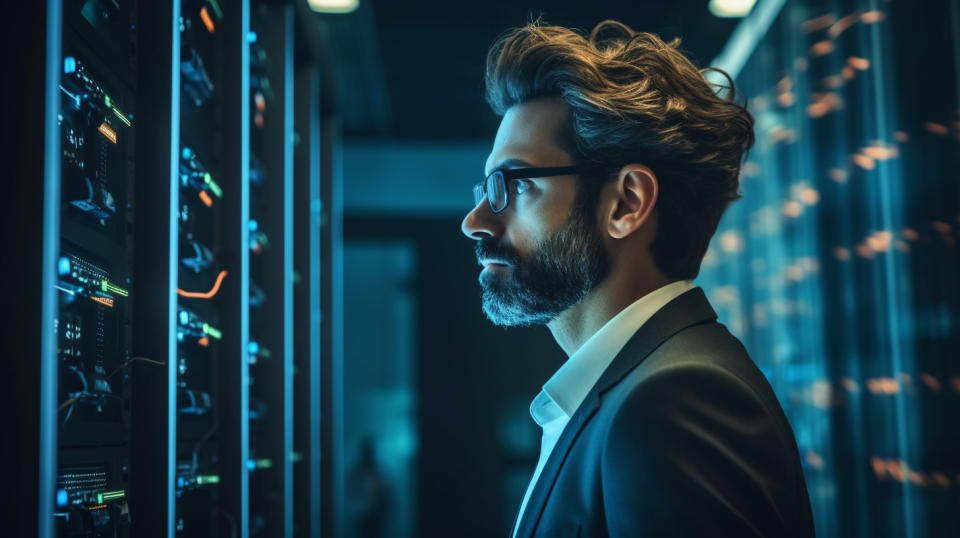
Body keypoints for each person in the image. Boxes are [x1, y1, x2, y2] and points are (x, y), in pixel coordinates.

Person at [461, 19, 816, 538]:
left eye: (511, 185)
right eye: (484, 188)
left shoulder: (673, 400)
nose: (475, 221)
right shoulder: (635, 392)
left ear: (626, 202)